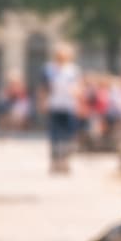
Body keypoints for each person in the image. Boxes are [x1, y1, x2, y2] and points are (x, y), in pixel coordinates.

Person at [43, 42, 82, 173]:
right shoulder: (49, 69)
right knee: (55, 135)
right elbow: (44, 87)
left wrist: (79, 100)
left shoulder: (73, 70)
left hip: (69, 105)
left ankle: (65, 160)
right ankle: (55, 161)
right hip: (55, 104)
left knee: (68, 135)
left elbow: (79, 87)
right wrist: (43, 101)